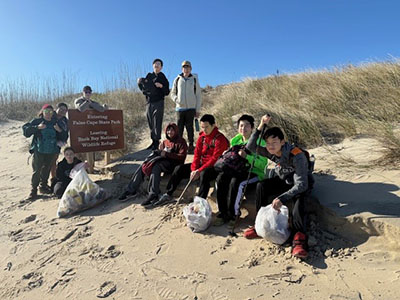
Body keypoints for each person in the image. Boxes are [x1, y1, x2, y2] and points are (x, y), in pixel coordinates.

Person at [243, 115, 314, 259]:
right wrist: (261, 125)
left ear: (282, 141)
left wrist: (282, 198)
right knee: (261, 186)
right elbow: (249, 147)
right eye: (268, 143)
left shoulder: (297, 155)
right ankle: (260, 224)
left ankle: (299, 239)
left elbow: (302, 184)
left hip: (301, 183)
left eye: (274, 142)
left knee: (299, 197)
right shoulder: (271, 151)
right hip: (285, 180)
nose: (270, 146)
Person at [158, 114, 229, 205]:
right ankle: (168, 193)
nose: (204, 130)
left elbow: (215, 159)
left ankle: (199, 202)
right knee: (179, 169)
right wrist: (194, 169)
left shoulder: (220, 139)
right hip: (201, 164)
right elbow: (197, 154)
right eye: (202, 127)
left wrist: (199, 171)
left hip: (213, 167)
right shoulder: (202, 137)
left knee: (204, 175)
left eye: (206, 127)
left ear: (213, 125)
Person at [213, 114, 268, 227]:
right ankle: (223, 213)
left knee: (237, 183)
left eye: (247, 125)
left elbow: (262, 165)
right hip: (237, 170)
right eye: (241, 126)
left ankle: (234, 214)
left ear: (252, 128)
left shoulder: (260, 142)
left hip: (255, 173)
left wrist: (247, 157)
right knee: (220, 179)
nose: (244, 128)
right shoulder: (235, 140)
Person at [119, 123, 187, 206]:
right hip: (163, 162)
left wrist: (166, 154)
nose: (170, 132)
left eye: (172, 130)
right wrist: (159, 150)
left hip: (174, 165)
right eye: (168, 130)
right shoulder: (165, 142)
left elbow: (182, 157)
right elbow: (161, 153)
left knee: (156, 166)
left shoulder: (181, 141)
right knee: (145, 164)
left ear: (176, 131)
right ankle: (131, 190)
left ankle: (153, 194)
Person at [23, 104, 66, 200]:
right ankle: (33, 190)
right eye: (46, 112)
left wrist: (59, 130)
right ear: (42, 112)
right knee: (37, 170)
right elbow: (25, 131)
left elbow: (64, 137)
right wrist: (37, 127)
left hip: (51, 151)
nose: (48, 114)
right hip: (39, 150)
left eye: (50, 112)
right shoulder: (37, 121)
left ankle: (43, 186)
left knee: (46, 169)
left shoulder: (55, 122)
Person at [170, 60, 202, 154]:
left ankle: (191, 145)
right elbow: (172, 93)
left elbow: (198, 95)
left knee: (190, 128)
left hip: (191, 108)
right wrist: (177, 100)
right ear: (182, 69)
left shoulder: (194, 79)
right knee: (179, 128)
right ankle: (179, 146)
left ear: (191, 68)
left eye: (188, 67)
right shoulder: (177, 79)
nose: (186, 69)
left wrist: (197, 109)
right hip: (180, 108)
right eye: (184, 67)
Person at [138, 58, 170, 150]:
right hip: (149, 102)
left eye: (158, 64)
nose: (156, 65)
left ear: (161, 67)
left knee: (157, 121)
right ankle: (153, 141)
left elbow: (167, 91)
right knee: (150, 121)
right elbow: (144, 88)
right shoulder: (149, 76)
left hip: (159, 101)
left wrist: (161, 86)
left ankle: (157, 142)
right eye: (155, 64)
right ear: (153, 66)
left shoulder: (163, 77)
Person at [50, 102, 69, 181]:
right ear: (56, 109)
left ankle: (53, 179)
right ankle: (42, 184)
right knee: (45, 164)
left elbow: (65, 134)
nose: (62, 111)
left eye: (64, 110)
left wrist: (60, 130)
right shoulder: (49, 116)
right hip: (45, 144)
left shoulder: (65, 121)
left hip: (57, 145)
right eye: (61, 109)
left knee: (53, 162)